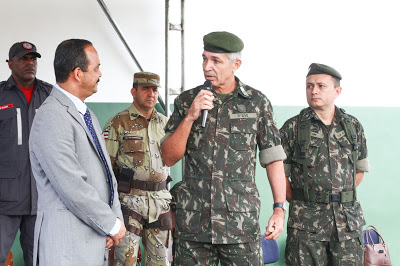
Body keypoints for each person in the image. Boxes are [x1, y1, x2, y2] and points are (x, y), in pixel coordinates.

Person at [161, 31, 287, 265]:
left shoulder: (257, 102)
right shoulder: (187, 100)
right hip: (193, 226)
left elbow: (273, 160)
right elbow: (168, 157)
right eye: (204, 58)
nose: (207, 66)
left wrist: (279, 209)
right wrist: (190, 116)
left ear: (235, 64)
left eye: (216, 61)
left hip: (239, 225)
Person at [29, 39, 126, 266]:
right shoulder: (51, 116)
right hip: (67, 250)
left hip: (92, 243)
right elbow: (72, 186)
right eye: (96, 68)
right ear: (78, 73)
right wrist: (110, 224)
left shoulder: (86, 115)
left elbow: (106, 175)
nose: (100, 74)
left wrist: (114, 221)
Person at [280, 63, 369, 265]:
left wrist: (338, 196)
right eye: (309, 86)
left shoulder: (352, 126)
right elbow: (280, 175)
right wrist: (305, 202)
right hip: (306, 226)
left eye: (321, 86)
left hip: (347, 224)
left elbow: (360, 170)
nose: (314, 91)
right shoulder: (293, 127)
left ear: (337, 91)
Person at [103, 72, 172, 265]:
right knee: (126, 261)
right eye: (145, 89)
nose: (151, 93)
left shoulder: (166, 124)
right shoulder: (118, 123)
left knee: (160, 263)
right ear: (134, 92)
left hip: (160, 203)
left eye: (155, 89)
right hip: (129, 202)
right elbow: (106, 169)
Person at [0, 41, 52, 266]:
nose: (30, 63)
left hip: (41, 197)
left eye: (33, 59)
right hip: (5, 198)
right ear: (10, 63)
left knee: (40, 259)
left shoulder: (50, 95)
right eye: (23, 58)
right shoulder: (1, 95)